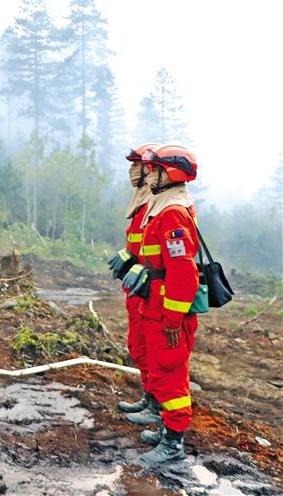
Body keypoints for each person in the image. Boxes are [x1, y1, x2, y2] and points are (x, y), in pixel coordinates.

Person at [121, 144, 200, 464]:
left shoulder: (173, 213)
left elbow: (183, 272)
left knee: (170, 373)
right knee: (160, 368)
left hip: (166, 309)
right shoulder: (163, 206)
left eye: (155, 169)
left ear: (171, 173)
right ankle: (167, 430)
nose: (147, 174)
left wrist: (172, 318)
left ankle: (173, 444)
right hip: (154, 303)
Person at [108, 143, 159, 417]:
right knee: (138, 346)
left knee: (152, 349)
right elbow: (140, 243)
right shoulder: (142, 200)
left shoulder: (158, 202)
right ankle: (150, 397)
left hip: (151, 288)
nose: (132, 170)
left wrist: (142, 265)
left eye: (136, 165)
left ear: (149, 168)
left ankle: (158, 406)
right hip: (138, 286)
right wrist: (129, 255)